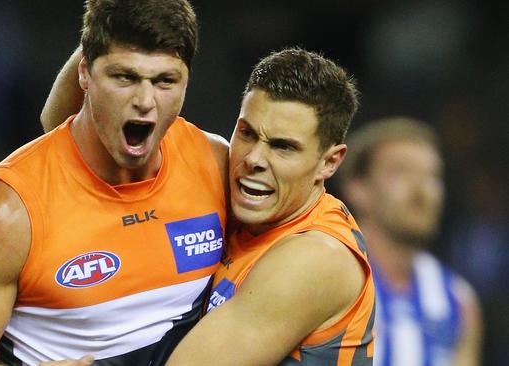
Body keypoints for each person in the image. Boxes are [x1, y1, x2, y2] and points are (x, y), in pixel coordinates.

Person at [0, 0, 230, 365]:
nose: (145, 102)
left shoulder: (214, 164)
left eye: (165, 81)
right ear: (84, 73)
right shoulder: (4, 213)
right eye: (124, 77)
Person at [41, 47, 374, 365]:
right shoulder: (238, 188)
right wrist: (109, 30)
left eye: (283, 147)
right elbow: (75, 133)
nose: (254, 159)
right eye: (247, 133)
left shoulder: (316, 258)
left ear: (329, 162)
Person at [337, 117, 483, 366]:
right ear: (358, 189)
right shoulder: (330, 277)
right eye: (401, 171)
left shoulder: (458, 300)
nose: (421, 189)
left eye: (432, 175)